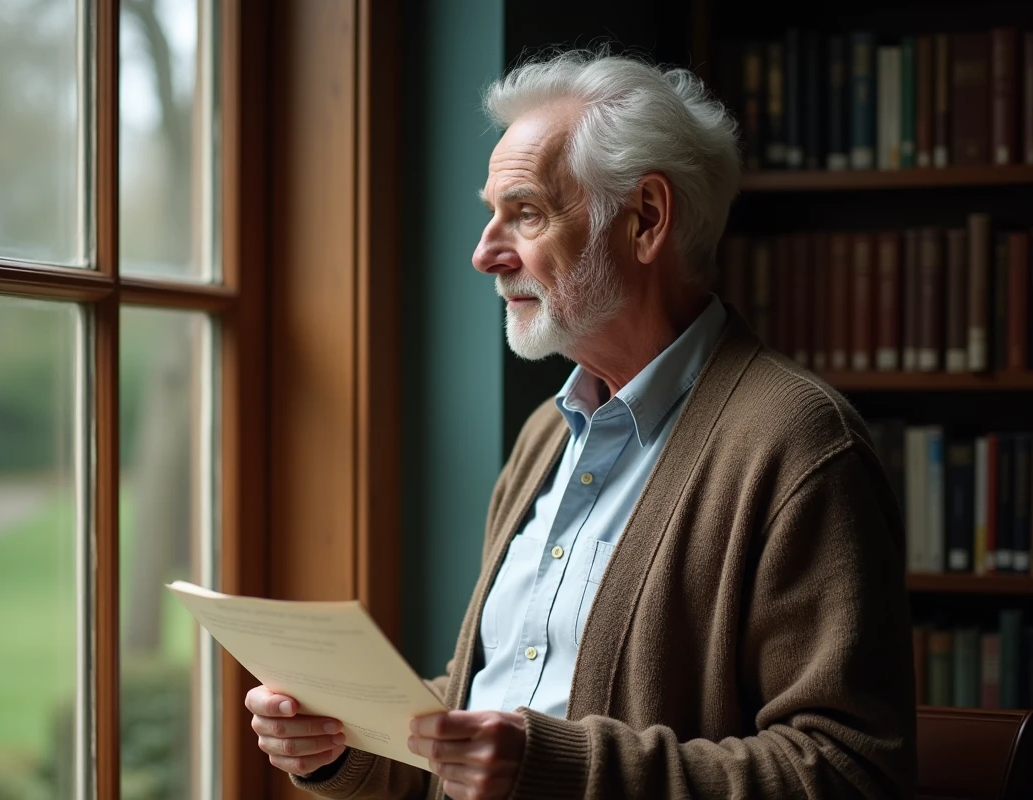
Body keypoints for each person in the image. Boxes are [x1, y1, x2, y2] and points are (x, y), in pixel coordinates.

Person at [245, 49, 915, 799]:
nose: (483, 254)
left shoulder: (798, 444)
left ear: (646, 220)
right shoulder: (545, 434)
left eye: (524, 213)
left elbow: (852, 771)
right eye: (490, 214)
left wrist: (557, 767)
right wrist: (345, 744)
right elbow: (495, 711)